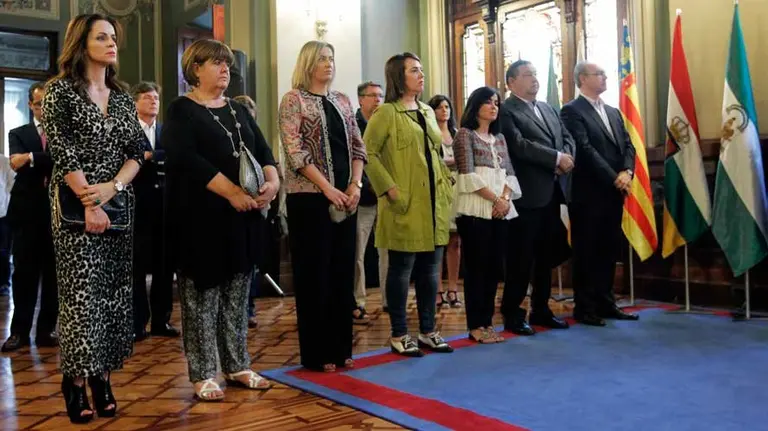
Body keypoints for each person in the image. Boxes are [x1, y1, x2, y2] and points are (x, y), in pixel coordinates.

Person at [43, 14, 145, 423]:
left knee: (114, 297)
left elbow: (137, 152)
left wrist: (113, 190)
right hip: (74, 207)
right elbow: (62, 151)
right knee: (81, 299)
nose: (111, 43)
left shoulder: (121, 97)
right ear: (80, 43)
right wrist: (90, 201)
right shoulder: (60, 92)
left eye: (114, 37)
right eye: (102, 37)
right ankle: (76, 381)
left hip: (119, 205)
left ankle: (103, 377)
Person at [164, 39, 278, 401]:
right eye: (216, 62)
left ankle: (238, 365)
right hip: (201, 221)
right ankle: (202, 373)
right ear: (195, 68)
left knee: (236, 296)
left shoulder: (239, 111)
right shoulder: (181, 109)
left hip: (241, 221)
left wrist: (273, 183)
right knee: (202, 300)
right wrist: (232, 193)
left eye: (227, 63)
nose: (225, 69)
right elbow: (186, 160)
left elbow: (263, 152)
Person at [279, 41, 366, 372]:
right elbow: (295, 151)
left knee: (342, 274)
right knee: (315, 276)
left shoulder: (342, 101)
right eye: (321, 59)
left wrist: (354, 185)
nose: (328, 64)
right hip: (309, 200)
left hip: (346, 197)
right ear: (307, 64)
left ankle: (342, 347)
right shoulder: (293, 100)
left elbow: (359, 146)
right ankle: (317, 354)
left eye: (331, 58)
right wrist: (328, 188)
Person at [364, 52, 454, 357]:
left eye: (422, 69)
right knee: (402, 270)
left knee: (431, 270)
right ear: (398, 77)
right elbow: (369, 154)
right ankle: (399, 333)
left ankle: (428, 330)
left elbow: (435, 152)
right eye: (414, 70)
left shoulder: (428, 111)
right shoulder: (385, 113)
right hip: (404, 202)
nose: (421, 74)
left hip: (434, 204)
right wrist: (389, 188)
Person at [560, 61, 639, 326]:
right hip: (588, 193)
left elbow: (628, 144)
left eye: (605, 74)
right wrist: (613, 176)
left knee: (608, 249)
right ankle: (585, 307)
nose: (605, 77)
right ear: (582, 78)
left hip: (614, 192)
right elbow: (583, 148)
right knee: (587, 251)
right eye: (599, 74)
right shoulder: (571, 110)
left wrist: (627, 171)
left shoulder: (613, 112)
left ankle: (607, 303)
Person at [499, 60, 574, 334]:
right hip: (526, 196)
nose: (534, 79)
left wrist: (566, 156)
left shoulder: (547, 108)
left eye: (535, 73)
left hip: (552, 193)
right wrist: (555, 158)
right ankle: (513, 312)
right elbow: (518, 146)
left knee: (545, 256)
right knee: (521, 259)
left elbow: (566, 138)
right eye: (527, 74)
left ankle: (541, 309)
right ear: (511, 82)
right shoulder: (506, 111)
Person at [454, 87, 519, 344]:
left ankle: (488, 323)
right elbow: (467, 175)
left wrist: (504, 200)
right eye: (488, 102)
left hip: (500, 210)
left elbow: (510, 174)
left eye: (496, 103)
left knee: (494, 270)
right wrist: (495, 199)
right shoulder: (464, 135)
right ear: (475, 106)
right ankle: (475, 325)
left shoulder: (500, 138)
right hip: (475, 209)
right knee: (476, 270)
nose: (494, 107)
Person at [3, 81, 58, 352]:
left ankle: (47, 330)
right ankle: (18, 333)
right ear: (30, 105)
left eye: (48, 104)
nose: (44, 109)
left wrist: (32, 158)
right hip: (26, 214)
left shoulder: (63, 132)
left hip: (57, 214)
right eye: (39, 104)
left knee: (54, 277)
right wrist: (43, 157)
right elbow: (15, 162)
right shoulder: (18, 132)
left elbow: (66, 159)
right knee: (23, 275)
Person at [130, 81, 179, 341]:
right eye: (148, 98)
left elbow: (172, 156)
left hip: (165, 208)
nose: (153, 102)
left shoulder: (166, 131)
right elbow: (133, 158)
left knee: (164, 266)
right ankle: (138, 322)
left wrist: (152, 156)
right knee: (137, 268)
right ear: (136, 102)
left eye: (156, 98)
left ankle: (162, 321)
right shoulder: (128, 130)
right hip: (138, 208)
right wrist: (152, 157)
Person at [352, 81, 383, 325]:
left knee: (387, 251)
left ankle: (389, 299)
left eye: (380, 96)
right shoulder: (352, 124)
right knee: (358, 253)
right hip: (362, 198)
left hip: (385, 197)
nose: (377, 100)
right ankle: (358, 301)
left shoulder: (385, 123)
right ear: (361, 99)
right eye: (372, 96)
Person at [428, 94, 462, 309]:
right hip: (439, 186)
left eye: (447, 107)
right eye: (440, 107)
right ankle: (437, 289)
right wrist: (449, 162)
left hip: (458, 187)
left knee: (456, 241)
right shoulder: (430, 133)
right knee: (438, 241)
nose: (444, 111)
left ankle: (453, 289)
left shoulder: (457, 134)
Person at [0, 154, 14, 298]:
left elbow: (11, 186)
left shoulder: (4, 162)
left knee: (3, 252)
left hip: (2, 215)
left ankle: (3, 283)